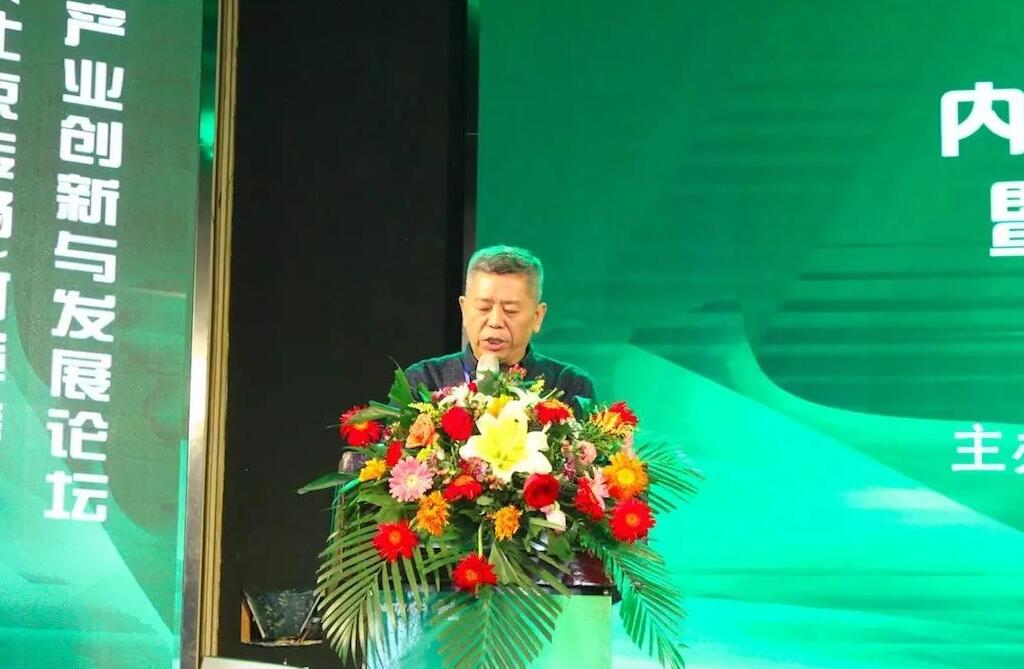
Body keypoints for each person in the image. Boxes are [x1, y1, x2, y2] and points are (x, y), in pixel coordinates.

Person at [405, 245, 595, 410]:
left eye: (510, 310)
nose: (495, 321)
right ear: (464, 310)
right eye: (484, 308)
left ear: (537, 317)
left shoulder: (569, 386)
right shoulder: (424, 381)